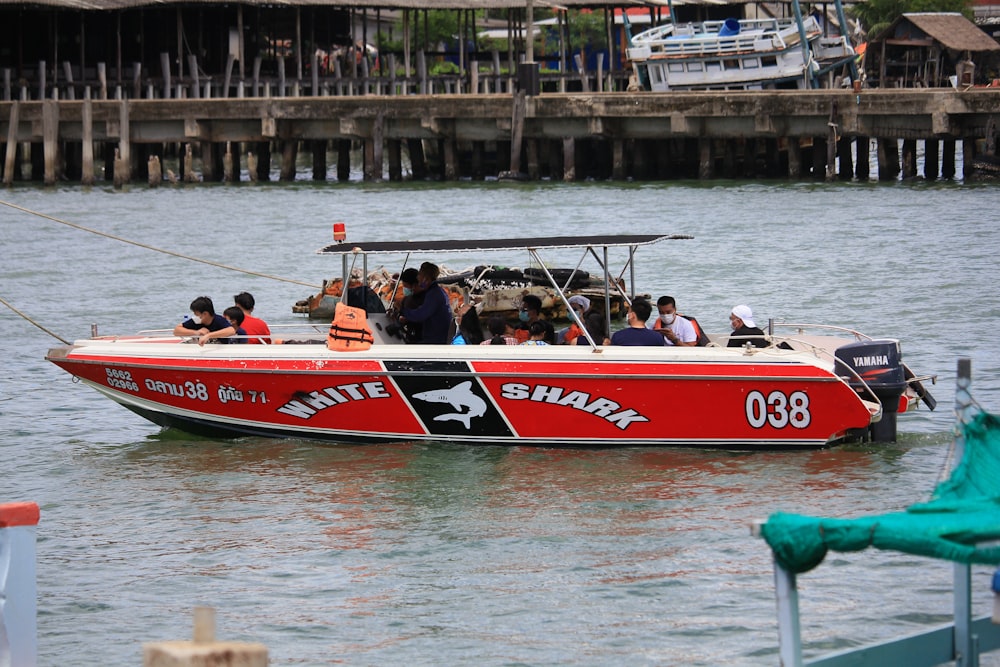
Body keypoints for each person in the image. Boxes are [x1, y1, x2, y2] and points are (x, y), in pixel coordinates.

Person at [400, 262, 452, 344]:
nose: (417, 277)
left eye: (419, 274)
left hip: (436, 339)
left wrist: (403, 311)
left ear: (426, 278)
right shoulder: (438, 291)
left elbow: (420, 315)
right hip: (440, 336)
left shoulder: (434, 294)